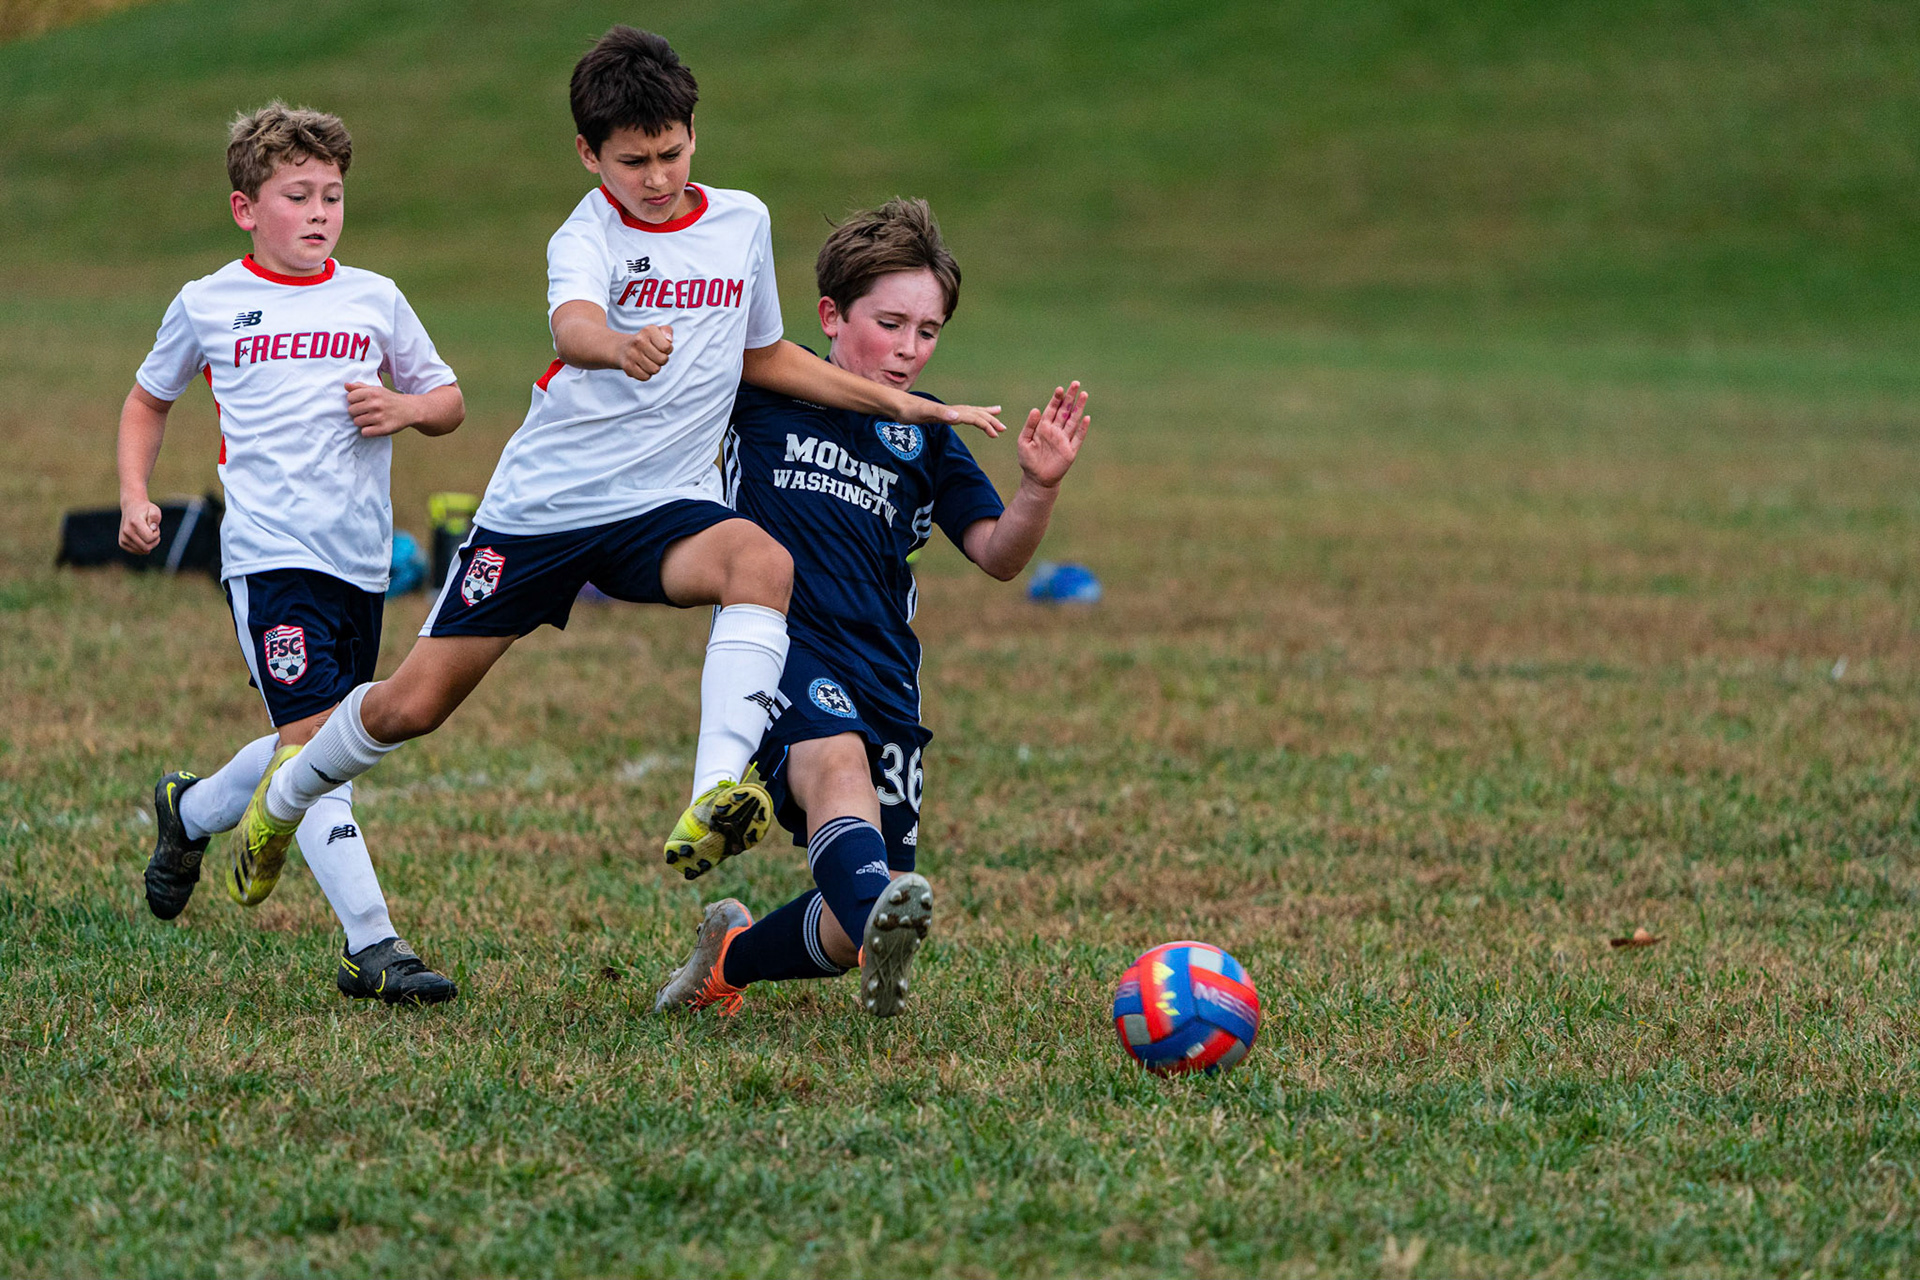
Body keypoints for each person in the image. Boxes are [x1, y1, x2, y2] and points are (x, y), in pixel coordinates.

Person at [228, 29, 1006, 901]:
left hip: (664, 505)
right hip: (547, 508)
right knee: (413, 705)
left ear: (693, 135)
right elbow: (573, 326)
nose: (658, 178)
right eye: (633, 161)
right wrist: (618, 347)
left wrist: (904, 403)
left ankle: (714, 789)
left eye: (672, 153)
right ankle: (284, 795)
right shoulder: (584, 233)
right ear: (588, 154)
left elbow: (762, 354)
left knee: (761, 561)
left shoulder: (742, 221)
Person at [653, 198, 1090, 1018]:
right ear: (829, 314)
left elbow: (999, 555)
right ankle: (865, 927)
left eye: (927, 333)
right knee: (836, 766)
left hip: (888, 670)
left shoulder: (925, 436)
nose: (907, 350)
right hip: (784, 643)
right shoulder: (756, 395)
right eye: (889, 323)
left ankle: (732, 959)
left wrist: (1039, 485)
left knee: (863, 917)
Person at [124, 102, 466, 1004]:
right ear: (246, 208)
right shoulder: (207, 303)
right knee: (315, 739)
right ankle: (373, 946)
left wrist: (405, 409)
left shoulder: (374, 297)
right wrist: (134, 495)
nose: (320, 213)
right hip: (269, 558)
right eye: (298, 195)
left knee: (316, 740)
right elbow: (147, 401)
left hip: (359, 563)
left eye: (333, 196)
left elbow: (448, 398)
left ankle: (189, 812)